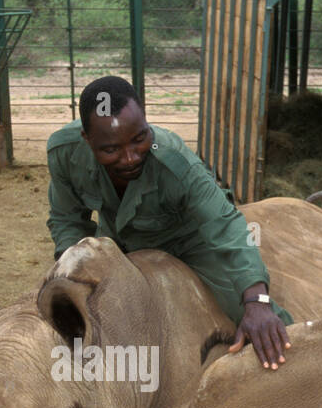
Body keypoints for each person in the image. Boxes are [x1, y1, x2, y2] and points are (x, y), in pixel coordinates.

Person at [46, 75, 292, 370]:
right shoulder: (64, 152)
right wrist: (71, 269)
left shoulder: (174, 161)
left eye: (140, 138)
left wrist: (257, 302)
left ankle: (295, 353)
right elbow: (66, 218)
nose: (130, 157)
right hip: (117, 242)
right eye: (111, 150)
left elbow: (224, 224)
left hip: (190, 240)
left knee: (251, 314)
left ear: (147, 121)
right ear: (87, 139)